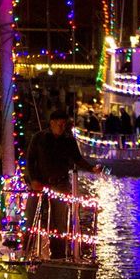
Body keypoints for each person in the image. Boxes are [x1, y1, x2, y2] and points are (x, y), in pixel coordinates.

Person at [24, 109, 101, 257]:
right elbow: (30, 161)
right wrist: (33, 179)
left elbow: (77, 159)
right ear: (52, 123)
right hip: (39, 184)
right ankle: (26, 248)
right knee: (32, 215)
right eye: (59, 124)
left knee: (59, 222)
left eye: (64, 124)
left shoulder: (68, 140)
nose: (61, 127)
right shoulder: (39, 138)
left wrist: (91, 168)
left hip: (59, 184)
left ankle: (58, 253)